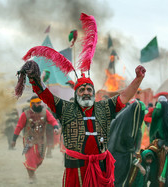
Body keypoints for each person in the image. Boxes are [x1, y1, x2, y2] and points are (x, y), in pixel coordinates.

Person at [14, 12, 146, 187]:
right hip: (75, 170)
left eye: (88, 89)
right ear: (76, 94)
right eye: (81, 89)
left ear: (93, 92)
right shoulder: (65, 108)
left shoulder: (104, 108)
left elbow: (124, 96)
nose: (85, 92)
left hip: (100, 168)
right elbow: (46, 95)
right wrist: (35, 80)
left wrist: (138, 79)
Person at [11, 96, 59, 183]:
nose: (40, 104)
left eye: (40, 102)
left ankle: (32, 172)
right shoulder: (25, 114)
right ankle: (31, 177)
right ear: (32, 104)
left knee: (39, 160)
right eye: (37, 103)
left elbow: (53, 120)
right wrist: (14, 139)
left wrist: (55, 127)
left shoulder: (45, 112)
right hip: (29, 140)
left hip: (41, 140)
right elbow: (19, 127)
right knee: (30, 159)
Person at [108, 100, 146, 187]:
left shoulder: (120, 119)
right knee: (119, 182)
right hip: (121, 159)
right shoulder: (129, 126)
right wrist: (140, 166)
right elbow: (129, 147)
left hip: (112, 155)